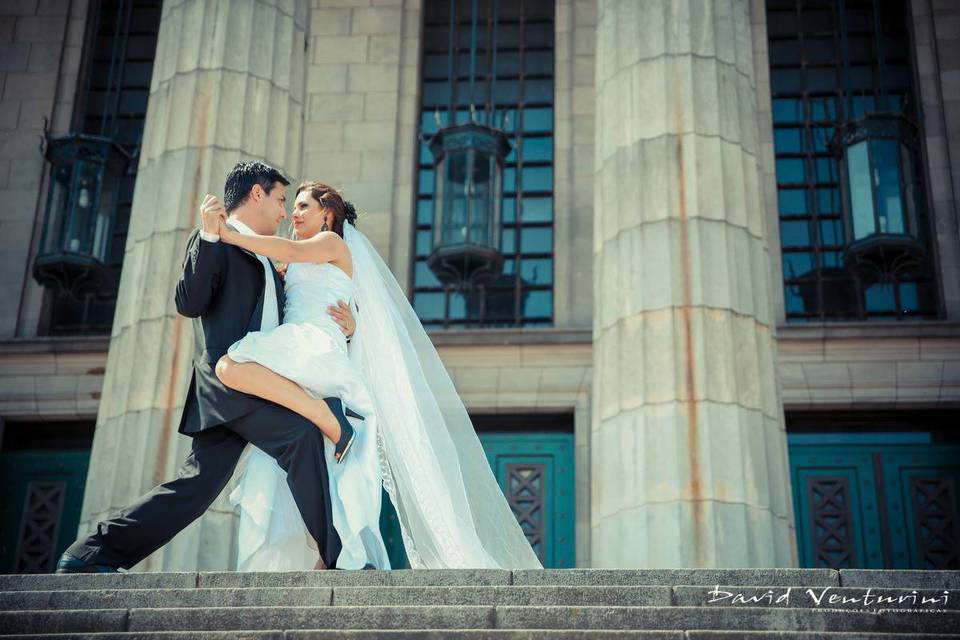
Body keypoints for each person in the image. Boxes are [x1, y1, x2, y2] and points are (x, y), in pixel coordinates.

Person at [55, 162, 353, 573]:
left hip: (260, 379)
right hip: (232, 381)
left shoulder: (272, 256)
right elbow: (188, 303)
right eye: (281, 200)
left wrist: (348, 328)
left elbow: (306, 309)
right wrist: (211, 237)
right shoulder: (216, 239)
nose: (285, 213)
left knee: (194, 489)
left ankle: (88, 554)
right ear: (255, 194)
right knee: (300, 434)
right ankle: (338, 558)